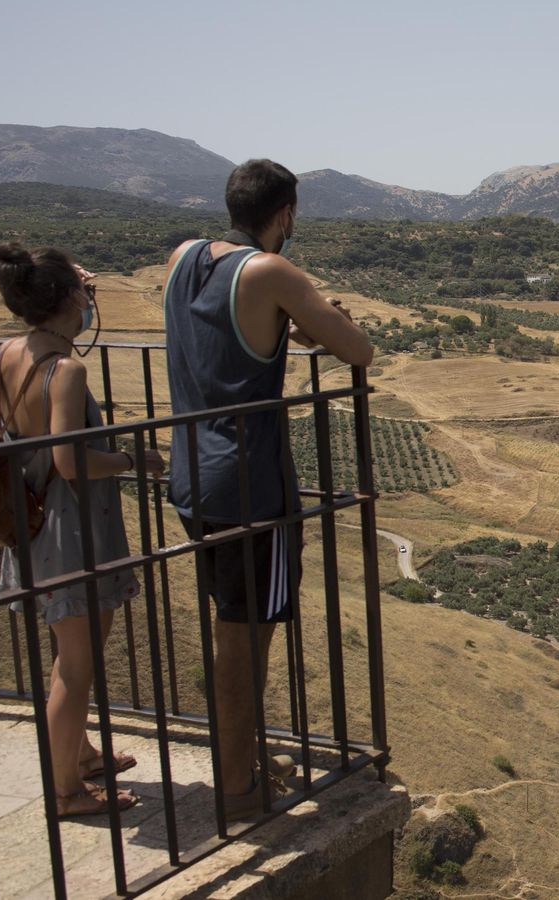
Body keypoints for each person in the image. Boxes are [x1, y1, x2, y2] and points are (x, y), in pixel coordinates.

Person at [163, 159, 371, 819]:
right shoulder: (270, 272)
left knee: (232, 628)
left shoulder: (184, 257)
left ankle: (243, 763)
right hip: (252, 487)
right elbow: (355, 349)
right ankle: (240, 793)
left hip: (192, 475)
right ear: (285, 215)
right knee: (245, 645)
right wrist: (322, 313)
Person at [0, 242, 166, 816]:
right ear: (69, 298)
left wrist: (69, 282)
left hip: (34, 522)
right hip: (71, 530)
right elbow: (71, 461)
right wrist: (133, 461)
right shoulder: (66, 368)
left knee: (72, 651)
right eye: (83, 293)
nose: (90, 302)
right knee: (77, 662)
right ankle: (66, 790)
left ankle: (81, 752)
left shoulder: (11, 351)